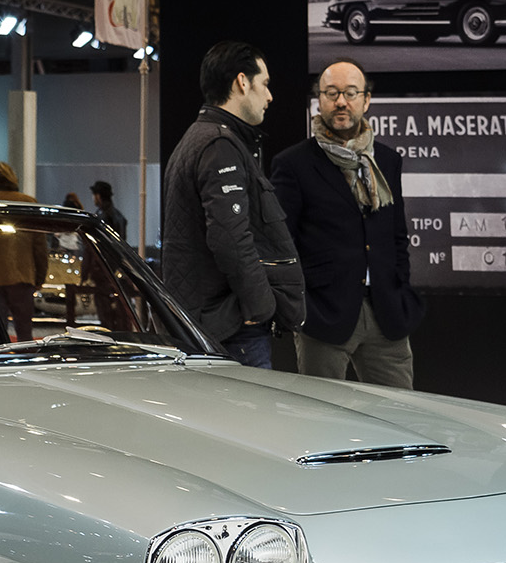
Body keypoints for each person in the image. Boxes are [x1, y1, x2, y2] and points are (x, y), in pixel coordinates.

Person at [270, 60, 424, 388]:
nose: (341, 101)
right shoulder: (293, 164)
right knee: (323, 421)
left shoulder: (387, 161)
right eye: (332, 93)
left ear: (365, 101)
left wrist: (401, 288)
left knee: (403, 415)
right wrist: (302, 308)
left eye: (351, 93)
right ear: (319, 101)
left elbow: (398, 235)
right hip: (323, 317)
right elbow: (283, 243)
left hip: (386, 313)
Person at [160, 40, 304, 369]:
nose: (270, 96)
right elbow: (230, 238)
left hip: (211, 321)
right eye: (265, 84)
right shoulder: (219, 144)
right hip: (231, 329)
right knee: (252, 420)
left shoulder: (200, 138)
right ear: (242, 82)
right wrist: (261, 307)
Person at [0, 161, 48, 341]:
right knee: (25, 331)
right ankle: (25, 364)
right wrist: (40, 277)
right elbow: (39, 244)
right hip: (23, 276)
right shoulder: (29, 203)